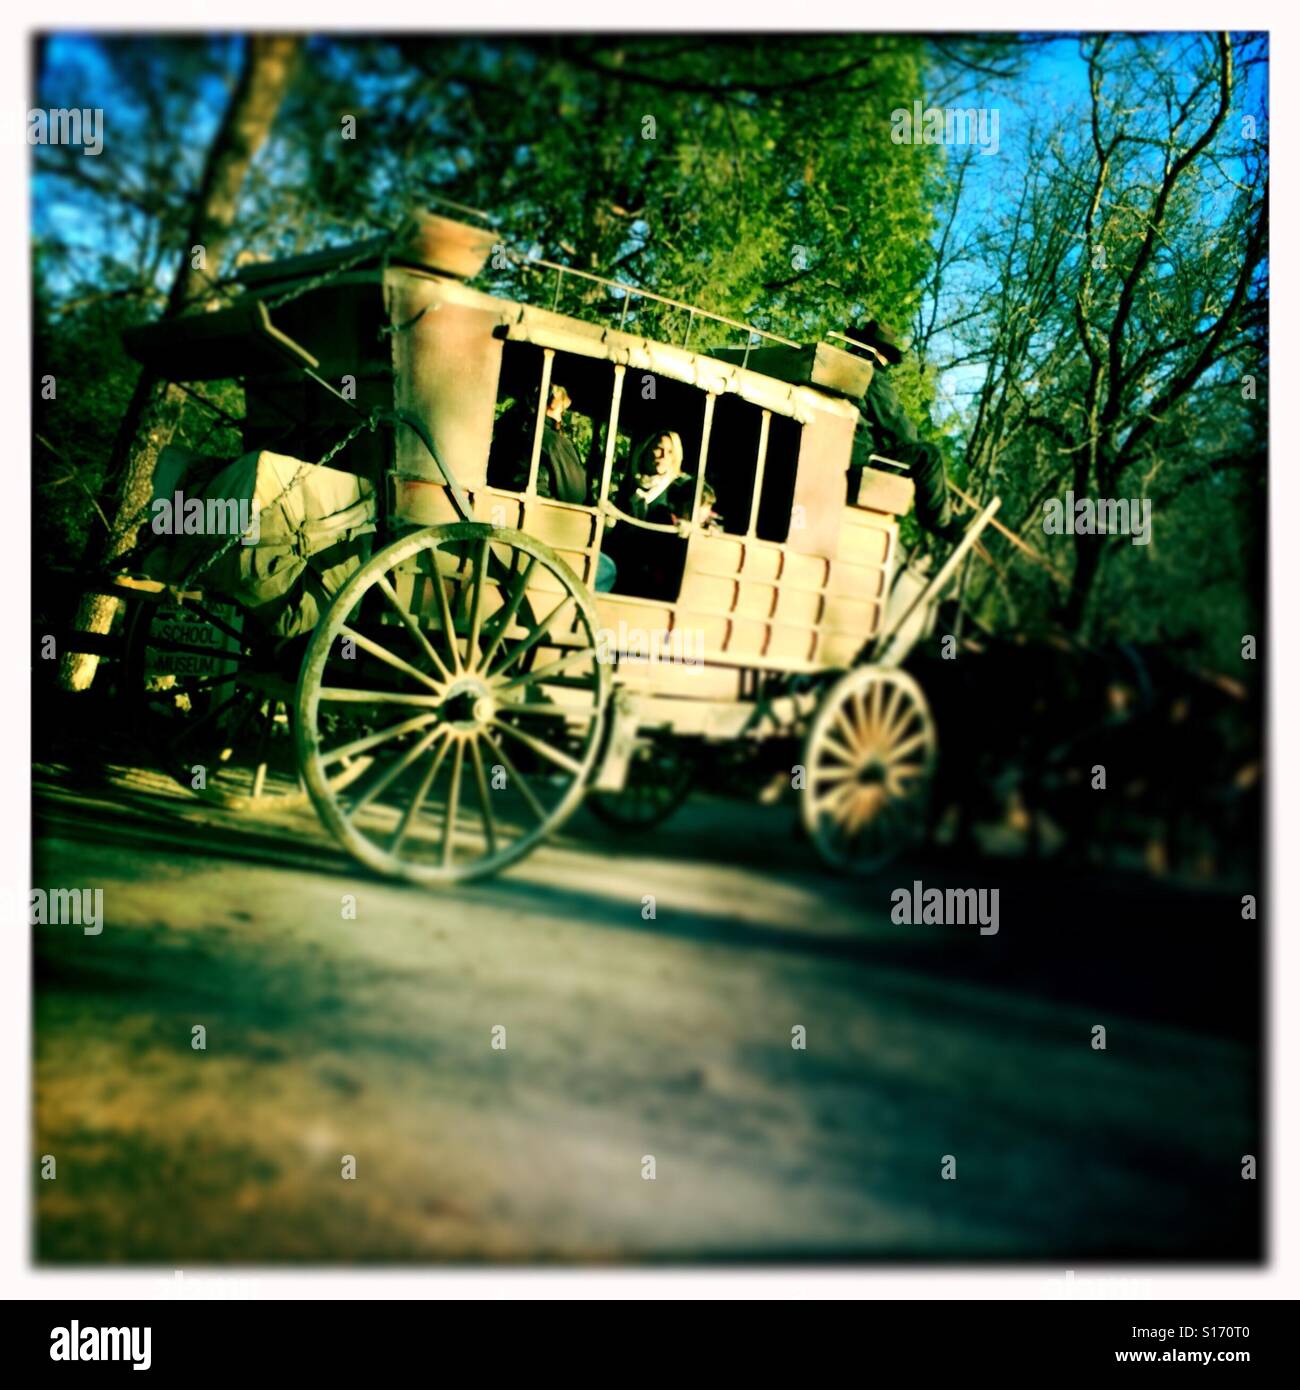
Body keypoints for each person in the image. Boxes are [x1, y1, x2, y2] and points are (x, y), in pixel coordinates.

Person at [843, 321, 953, 540]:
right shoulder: (870, 374)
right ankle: (941, 524)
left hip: (846, 451)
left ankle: (942, 514)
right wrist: (917, 442)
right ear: (879, 352)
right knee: (929, 455)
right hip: (859, 459)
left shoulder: (844, 366)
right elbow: (898, 425)